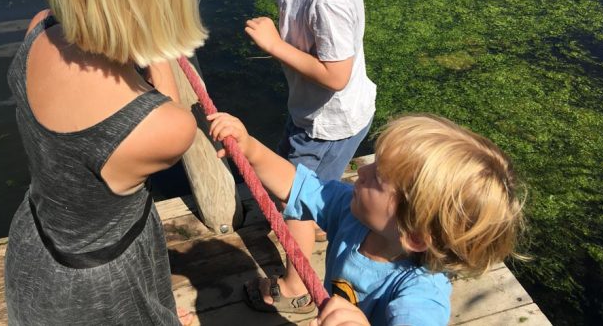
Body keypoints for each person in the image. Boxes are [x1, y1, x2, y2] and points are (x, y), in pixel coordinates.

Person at [4, 0, 207, 325]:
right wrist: (158, 37)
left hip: (36, 247)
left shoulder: (38, 30)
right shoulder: (164, 127)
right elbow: (169, 112)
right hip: (104, 292)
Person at [196, 0, 377, 313]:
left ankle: (297, 287)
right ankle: (319, 217)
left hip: (331, 121)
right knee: (305, 179)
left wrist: (276, 45)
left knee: (298, 198)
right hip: (313, 114)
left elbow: (336, 76)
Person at [207, 111, 525, 325]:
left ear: (413, 235)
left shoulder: (420, 293)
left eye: (379, 177)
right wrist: (251, 148)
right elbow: (297, 185)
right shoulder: (352, 211)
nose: (362, 169)